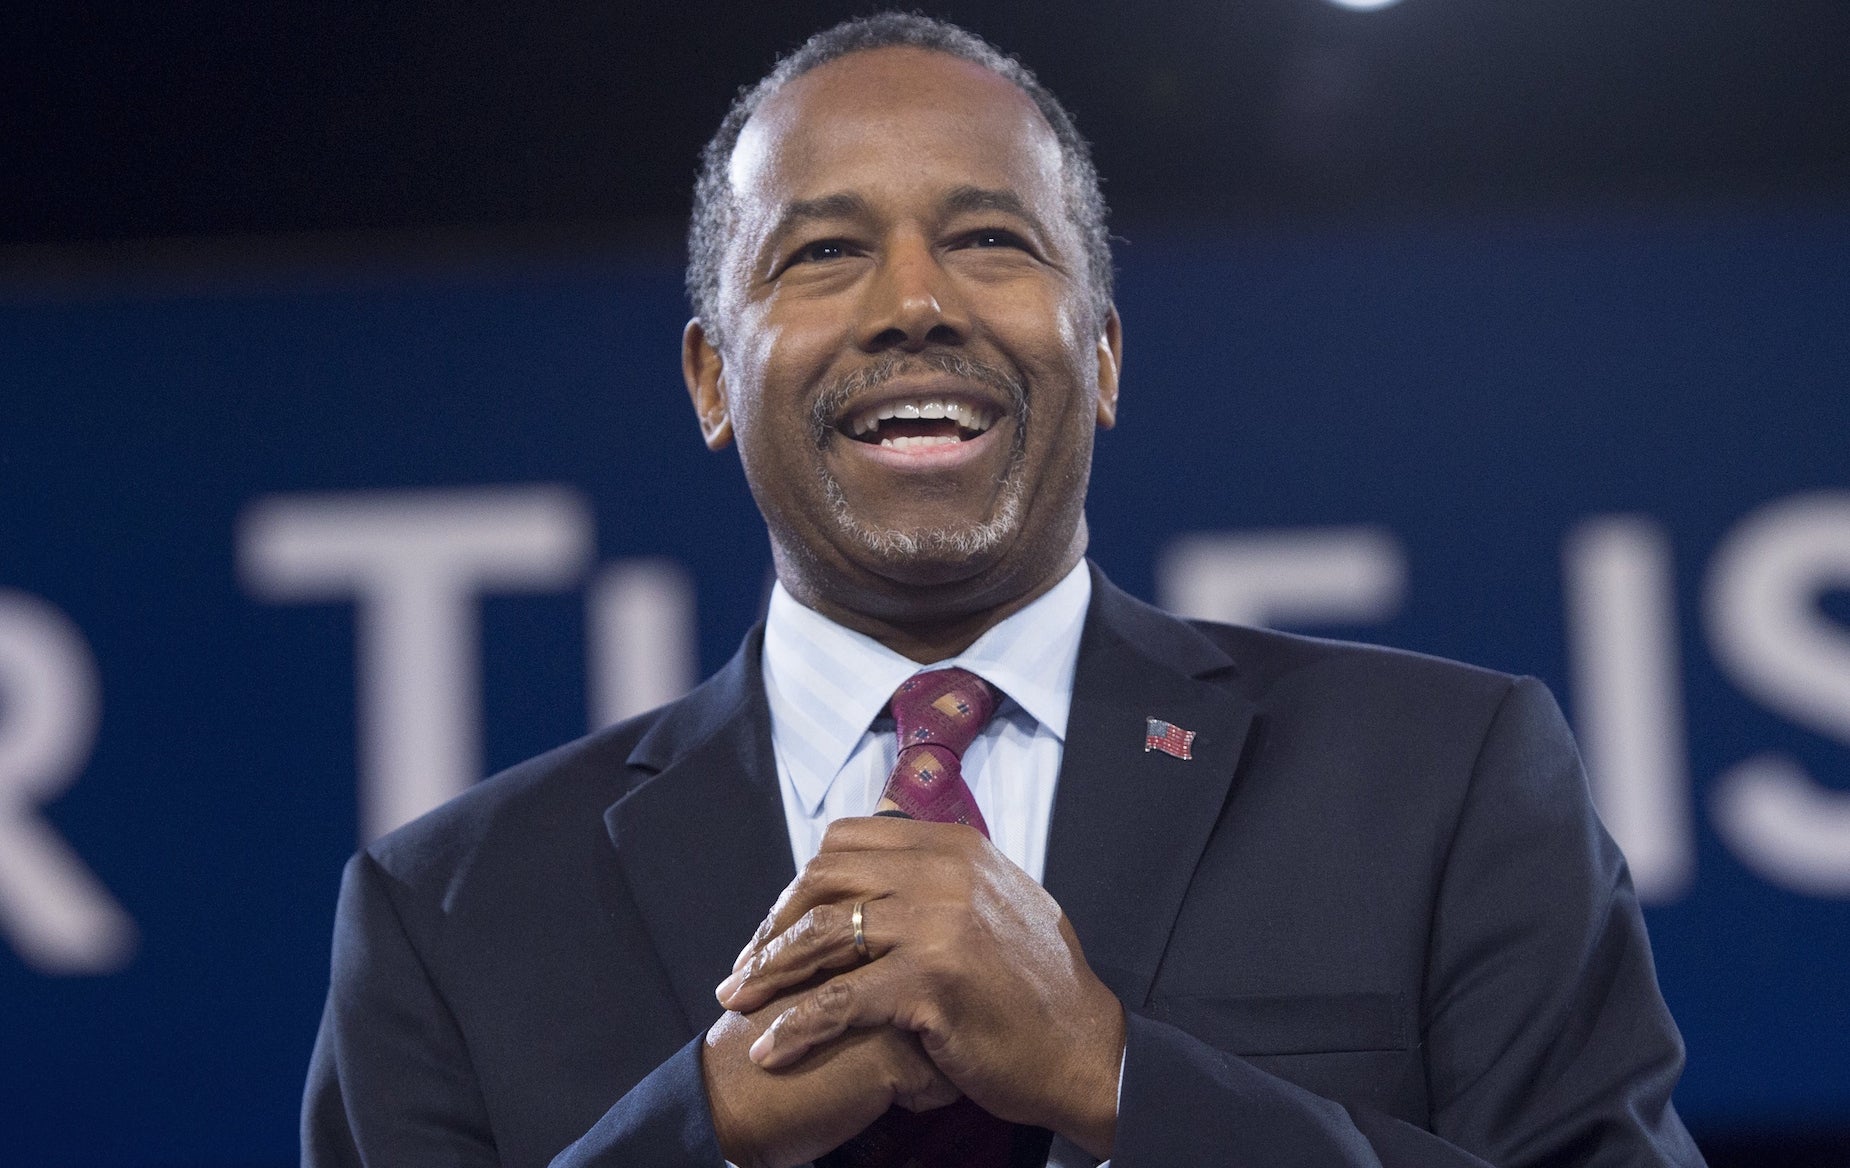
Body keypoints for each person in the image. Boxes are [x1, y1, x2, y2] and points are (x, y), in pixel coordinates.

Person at [302, 13, 1706, 1168]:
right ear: (713, 380)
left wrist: (1114, 1076)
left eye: (989, 241)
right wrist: (700, 1131)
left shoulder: (1436, 780)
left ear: (1097, 356)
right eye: (823, 252)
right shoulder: (445, 915)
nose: (915, 302)